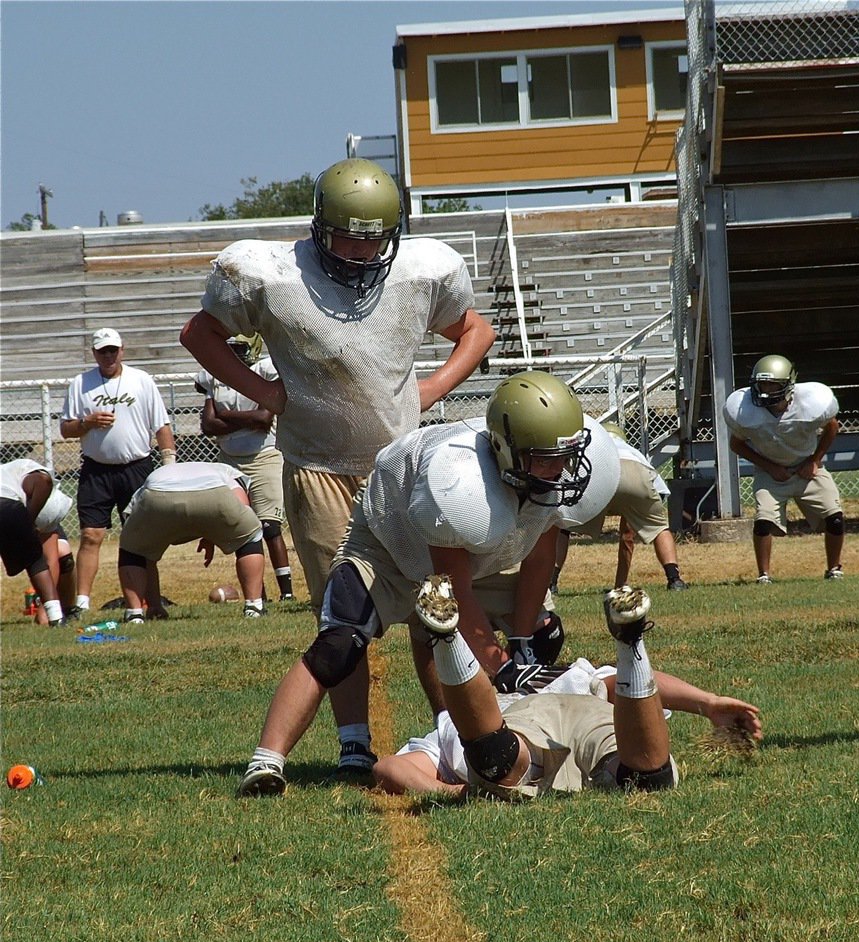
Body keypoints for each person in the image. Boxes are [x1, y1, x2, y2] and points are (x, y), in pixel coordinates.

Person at [180, 157, 494, 775]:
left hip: (403, 470)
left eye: (371, 237)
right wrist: (264, 393)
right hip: (318, 465)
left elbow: (475, 332)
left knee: (435, 608)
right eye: (346, 234)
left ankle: (451, 730)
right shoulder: (268, 273)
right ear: (320, 225)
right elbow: (200, 334)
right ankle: (354, 741)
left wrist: (430, 389)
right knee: (341, 619)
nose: (357, 249)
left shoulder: (422, 270)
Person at [236, 371, 620, 797]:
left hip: (476, 555)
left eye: (565, 454)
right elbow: (452, 590)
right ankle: (266, 760)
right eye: (546, 457)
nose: (561, 468)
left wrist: (522, 640)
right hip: (387, 548)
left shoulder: (540, 475)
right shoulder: (460, 481)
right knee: (338, 646)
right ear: (507, 453)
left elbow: (538, 558)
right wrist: (501, 664)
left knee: (544, 635)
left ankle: (464, 736)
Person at [375, 578, 761, 799]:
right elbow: (616, 685)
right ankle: (631, 641)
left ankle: (446, 639)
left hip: (526, 720)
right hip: (574, 711)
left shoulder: (460, 718)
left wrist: (456, 793)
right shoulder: (570, 673)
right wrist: (706, 703)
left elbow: (390, 769)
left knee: (500, 761)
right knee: (647, 776)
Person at [60, 327, 176, 617]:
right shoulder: (81, 383)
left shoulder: (141, 380)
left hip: (137, 467)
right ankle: (81, 604)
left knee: (142, 539)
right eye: (102, 351)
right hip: (96, 470)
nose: (108, 355)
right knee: (90, 535)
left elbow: (161, 425)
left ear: (122, 350)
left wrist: (169, 464)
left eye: (113, 350)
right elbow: (65, 428)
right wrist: (87, 423)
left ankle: (154, 604)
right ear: (94, 353)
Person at [722, 354, 846, 583]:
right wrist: (769, 467)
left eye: (773, 384)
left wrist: (815, 460)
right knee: (763, 522)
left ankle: (834, 569)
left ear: (789, 385)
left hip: (806, 468)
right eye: (762, 384)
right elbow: (736, 444)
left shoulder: (810, 403)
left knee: (835, 518)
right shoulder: (745, 410)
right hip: (771, 473)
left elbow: (832, 427)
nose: (766, 390)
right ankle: (764, 575)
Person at [194, 332, 295, 601]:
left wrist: (225, 416)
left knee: (270, 526)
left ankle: (286, 593)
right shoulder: (214, 376)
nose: (234, 354)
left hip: (264, 456)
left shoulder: (265, 370)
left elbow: (263, 418)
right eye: (231, 348)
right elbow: (207, 425)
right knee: (244, 529)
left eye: (239, 348)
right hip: (230, 460)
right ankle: (257, 593)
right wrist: (243, 420)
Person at [116, 461, 265, 623]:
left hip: (159, 494)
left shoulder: (159, 475)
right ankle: (254, 607)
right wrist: (215, 532)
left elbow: (132, 520)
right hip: (213, 494)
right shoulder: (230, 473)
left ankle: (135, 613)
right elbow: (241, 508)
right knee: (251, 536)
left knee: (133, 550)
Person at [553, 421, 687, 592]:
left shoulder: (592, 447)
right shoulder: (635, 453)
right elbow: (628, 535)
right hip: (635, 472)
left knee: (564, 527)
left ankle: (551, 583)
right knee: (660, 528)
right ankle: (674, 580)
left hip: (597, 471)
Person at [1, 458, 75, 627]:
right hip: (7, 505)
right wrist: (30, 518)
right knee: (36, 562)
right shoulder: (25, 468)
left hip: (8, 506)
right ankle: (55, 615)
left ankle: (51, 614)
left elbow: (52, 559)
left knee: (38, 560)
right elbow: (43, 481)